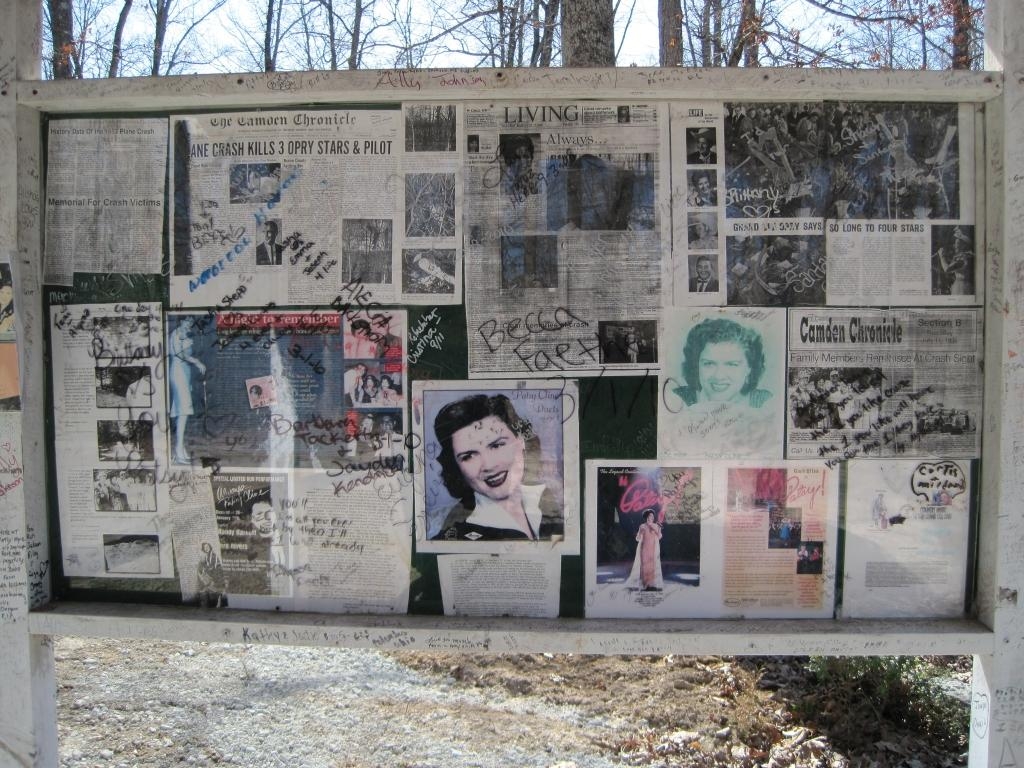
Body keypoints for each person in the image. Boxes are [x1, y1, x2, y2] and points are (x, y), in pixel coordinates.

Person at [430, 393, 562, 541]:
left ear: (521, 441)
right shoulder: (455, 534)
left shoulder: (548, 498)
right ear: (456, 466)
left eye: (497, 445)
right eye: (468, 456)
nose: (489, 465)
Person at [674, 317, 770, 407]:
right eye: (709, 364)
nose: (719, 376)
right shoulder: (676, 399)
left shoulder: (766, 402)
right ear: (696, 365)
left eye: (731, 364)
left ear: (749, 368)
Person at [168, 317, 206, 464]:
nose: (190, 323)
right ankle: (178, 451)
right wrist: (197, 362)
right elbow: (179, 354)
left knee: (182, 413)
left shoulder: (186, 333)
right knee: (182, 412)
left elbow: (186, 357)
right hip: (178, 372)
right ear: (180, 321)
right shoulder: (177, 334)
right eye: (187, 320)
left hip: (184, 373)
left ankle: (180, 449)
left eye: (191, 321)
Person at [626, 509, 663, 591]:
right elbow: (637, 538)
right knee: (644, 566)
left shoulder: (656, 526)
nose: (652, 517)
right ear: (646, 517)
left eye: (653, 516)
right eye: (650, 516)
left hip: (652, 548)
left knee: (651, 566)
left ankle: (651, 584)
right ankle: (644, 584)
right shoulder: (642, 526)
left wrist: (659, 529)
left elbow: (659, 537)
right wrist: (638, 534)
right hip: (644, 548)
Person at [196, 542, 227, 608]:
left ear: (210, 547)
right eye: (205, 548)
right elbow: (207, 567)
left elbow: (212, 568)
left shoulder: (213, 555)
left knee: (214, 590)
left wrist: (205, 569)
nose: (206, 548)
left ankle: (218, 601)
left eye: (207, 547)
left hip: (216, 576)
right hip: (212, 576)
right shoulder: (207, 556)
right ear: (203, 549)